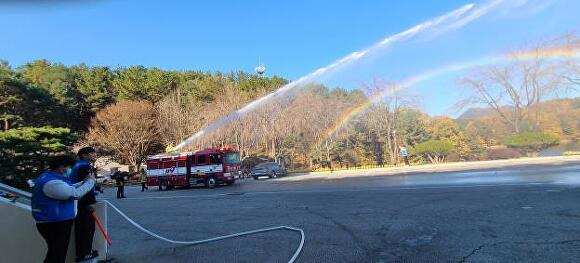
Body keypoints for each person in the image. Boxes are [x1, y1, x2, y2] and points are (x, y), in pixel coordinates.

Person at [31, 155, 95, 263]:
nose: (70, 170)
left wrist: (83, 182)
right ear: (62, 167)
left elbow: (67, 188)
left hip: (53, 221)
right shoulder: (52, 182)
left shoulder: (48, 177)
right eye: (70, 167)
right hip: (55, 223)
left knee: (55, 252)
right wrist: (90, 183)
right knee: (57, 254)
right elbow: (74, 194)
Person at [70, 147, 99, 262]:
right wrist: (90, 203)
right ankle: (84, 254)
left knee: (85, 228)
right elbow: (84, 186)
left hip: (79, 201)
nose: (94, 155)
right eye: (92, 153)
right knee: (86, 229)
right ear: (84, 155)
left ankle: (85, 252)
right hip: (82, 203)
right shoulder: (84, 166)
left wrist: (96, 188)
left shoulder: (80, 165)